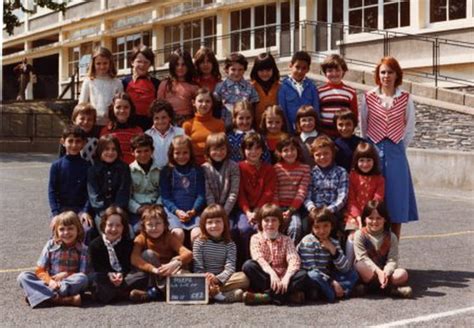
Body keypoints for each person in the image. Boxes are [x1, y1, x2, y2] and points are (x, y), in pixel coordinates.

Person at [360, 56, 418, 239]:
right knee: (373, 202)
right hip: (374, 152)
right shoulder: (368, 97)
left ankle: (393, 252)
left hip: (396, 154)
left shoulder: (406, 98)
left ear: (397, 74)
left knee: (396, 204)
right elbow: (363, 127)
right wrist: (370, 149)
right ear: (378, 75)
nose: (386, 76)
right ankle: (372, 251)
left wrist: (398, 147)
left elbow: (409, 128)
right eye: (383, 72)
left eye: (390, 72)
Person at [17, 212, 88, 308]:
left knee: (82, 279)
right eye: (62, 229)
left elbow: (82, 273)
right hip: (50, 281)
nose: (66, 233)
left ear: (78, 229)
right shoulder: (51, 245)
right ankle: (61, 300)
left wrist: (66, 274)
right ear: (56, 231)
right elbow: (40, 270)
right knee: (23, 276)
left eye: (70, 228)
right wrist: (50, 281)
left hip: (68, 284)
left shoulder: (83, 249)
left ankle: (39, 295)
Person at [242, 204, 307, 305]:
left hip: (284, 278)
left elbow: (294, 259)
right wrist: (272, 274)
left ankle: (267, 297)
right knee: (248, 265)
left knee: (303, 275)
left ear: (280, 222)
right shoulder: (255, 238)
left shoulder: (287, 240)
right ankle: (286, 296)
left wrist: (286, 277)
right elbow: (259, 258)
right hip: (266, 277)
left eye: (274, 220)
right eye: (266, 220)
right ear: (261, 222)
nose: (270, 224)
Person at [128, 205, 193, 303]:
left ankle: (153, 293)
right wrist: (154, 270)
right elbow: (134, 258)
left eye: (158, 223)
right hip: (154, 274)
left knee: (179, 265)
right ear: (144, 227)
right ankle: (163, 291)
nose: (154, 228)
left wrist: (175, 263)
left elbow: (188, 253)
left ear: (165, 224)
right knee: (147, 254)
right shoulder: (141, 238)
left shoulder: (168, 237)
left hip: (168, 272)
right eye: (150, 224)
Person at [297, 207, 358, 303]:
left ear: (331, 226)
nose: (322, 231)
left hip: (326, 276)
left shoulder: (333, 242)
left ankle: (325, 292)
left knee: (353, 274)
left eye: (325, 226)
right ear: (312, 228)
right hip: (312, 277)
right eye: (317, 227)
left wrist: (333, 250)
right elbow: (311, 268)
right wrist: (332, 282)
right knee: (313, 275)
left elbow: (345, 268)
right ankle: (333, 294)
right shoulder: (307, 242)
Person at [353, 200, 412, 298]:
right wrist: (378, 272)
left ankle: (371, 288)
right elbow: (362, 257)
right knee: (359, 265)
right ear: (364, 219)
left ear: (385, 219)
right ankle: (390, 289)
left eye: (378, 218)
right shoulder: (359, 235)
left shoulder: (391, 236)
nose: (374, 222)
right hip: (369, 271)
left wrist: (385, 273)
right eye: (370, 218)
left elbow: (392, 259)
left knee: (402, 274)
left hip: (384, 271)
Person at [193, 204, 250, 303]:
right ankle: (221, 295)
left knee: (244, 278)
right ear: (203, 225)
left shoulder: (230, 244)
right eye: (210, 222)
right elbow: (197, 267)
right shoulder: (199, 242)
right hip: (204, 279)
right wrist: (206, 278)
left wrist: (217, 279)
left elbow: (230, 267)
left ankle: (212, 293)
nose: (214, 225)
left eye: (218, 221)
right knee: (186, 277)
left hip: (222, 280)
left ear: (225, 223)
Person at [235, 132, 276, 266]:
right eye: (249, 148)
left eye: (257, 148)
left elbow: (268, 192)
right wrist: (248, 212)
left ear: (262, 150)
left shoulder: (268, 169)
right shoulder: (239, 167)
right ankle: (247, 262)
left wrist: (258, 211)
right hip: (245, 210)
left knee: (263, 227)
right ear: (243, 150)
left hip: (262, 209)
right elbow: (240, 193)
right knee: (244, 229)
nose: (253, 152)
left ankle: (266, 262)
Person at [160, 135, 205, 244]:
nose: (181, 156)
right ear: (172, 153)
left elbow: (201, 194)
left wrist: (194, 210)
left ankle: (196, 260)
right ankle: (179, 259)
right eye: (177, 153)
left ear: (190, 153)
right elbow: (165, 197)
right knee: (177, 234)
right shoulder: (166, 171)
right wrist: (176, 210)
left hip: (194, 211)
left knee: (197, 234)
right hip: (174, 212)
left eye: (185, 153)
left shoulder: (197, 170)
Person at [344, 142, 385, 265]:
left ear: (374, 161)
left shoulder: (379, 179)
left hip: (372, 216)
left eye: (369, 160)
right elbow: (351, 200)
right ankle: (349, 267)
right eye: (361, 160)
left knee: (371, 239)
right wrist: (359, 219)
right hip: (353, 215)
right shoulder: (352, 176)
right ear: (356, 161)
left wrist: (367, 218)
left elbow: (377, 199)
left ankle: (369, 268)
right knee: (352, 238)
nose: (365, 164)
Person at [88, 206, 136, 304]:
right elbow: (96, 267)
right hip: (106, 277)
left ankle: (113, 294)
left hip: (123, 278)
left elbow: (128, 265)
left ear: (123, 227)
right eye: (110, 225)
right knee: (95, 278)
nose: (114, 229)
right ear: (103, 225)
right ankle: (124, 294)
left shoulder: (128, 244)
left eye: (118, 225)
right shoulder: (95, 245)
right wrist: (109, 274)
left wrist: (121, 274)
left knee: (141, 275)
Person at [48, 125, 92, 231]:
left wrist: (85, 211)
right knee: (61, 230)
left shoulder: (87, 166)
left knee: (86, 228)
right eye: (70, 141)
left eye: (78, 141)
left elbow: (90, 192)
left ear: (84, 143)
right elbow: (52, 191)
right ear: (63, 141)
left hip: (80, 209)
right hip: (61, 209)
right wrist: (55, 213)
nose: (74, 145)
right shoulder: (56, 165)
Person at [87, 135, 131, 234]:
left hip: (120, 210)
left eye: (114, 149)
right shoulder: (93, 170)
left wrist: (117, 211)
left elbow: (123, 191)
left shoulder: (124, 168)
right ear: (100, 150)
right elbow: (94, 196)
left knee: (128, 232)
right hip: (101, 211)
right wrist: (105, 213)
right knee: (105, 230)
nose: (110, 152)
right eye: (106, 149)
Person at [304, 135, 348, 230]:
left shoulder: (341, 172)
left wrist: (328, 210)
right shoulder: (311, 173)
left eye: (326, 153)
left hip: (334, 213)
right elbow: (307, 196)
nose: (322, 157)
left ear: (332, 153)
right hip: (314, 213)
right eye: (318, 155)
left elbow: (342, 197)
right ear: (313, 156)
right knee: (305, 225)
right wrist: (312, 209)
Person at [273, 136, 311, 243]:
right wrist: (277, 210)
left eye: (292, 149)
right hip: (277, 207)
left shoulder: (305, 169)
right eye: (285, 150)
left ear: (298, 151)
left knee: (296, 227)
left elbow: (301, 192)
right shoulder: (276, 168)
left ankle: (290, 253)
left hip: (293, 208)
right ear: (280, 153)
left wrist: (290, 211)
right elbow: (274, 190)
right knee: (275, 226)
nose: (290, 153)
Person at [79, 47, 123, 127]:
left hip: (111, 125)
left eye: (105, 63)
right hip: (92, 124)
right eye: (98, 63)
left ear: (110, 63)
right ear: (93, 64)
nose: (102, 67)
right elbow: (81, 105)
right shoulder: (88, 81)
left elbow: (120, 104)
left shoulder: (117, 82)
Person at [214, 53, 259, 128]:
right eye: (233, 69)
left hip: (245, 127)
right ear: (226, 69)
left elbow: (254, 109)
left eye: (240, 69)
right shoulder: (220, 87)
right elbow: (216, 109)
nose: (236, 73)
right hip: (225, 127)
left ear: (244, 70)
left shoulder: (250, 87)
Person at [278, 51, 319, 134]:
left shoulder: (311, 87)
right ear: (290, 66)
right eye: (297, 67)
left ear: (308, 69)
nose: (300, 71)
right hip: (290, 131)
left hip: (309, 129)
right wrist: (288, 131)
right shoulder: (283, 86)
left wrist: (315, 129)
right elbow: (283, 111)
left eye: (304, 68)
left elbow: (316, 110)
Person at [318, 54, 358, 138]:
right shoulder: (320, 92)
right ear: (325, 72)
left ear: (343, 71)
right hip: (325, 136)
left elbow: (354, 115)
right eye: (330, 70)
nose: (334, 73)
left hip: (344, 136)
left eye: (337, 70)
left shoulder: (350, 92)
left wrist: (349, 131)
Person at [129, 134, 162, 234]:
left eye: (146, 151)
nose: (143, 155)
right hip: (137, 209)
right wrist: (138, 208)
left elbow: (164, 192)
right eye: (139, 151)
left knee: (160, 228)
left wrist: (157, 207)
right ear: (132, 152)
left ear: (152, 151)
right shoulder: (128, 171)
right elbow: (126, 196)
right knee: (137, 229)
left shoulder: (160, 170)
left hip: (157, 207)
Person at [201, 132, 240, 217]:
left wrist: (224, 213)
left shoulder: (233, 166)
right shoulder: (204, 168)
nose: (219, 152)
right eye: (215, 149)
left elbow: (233, 192)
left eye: (222, 149)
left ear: (227, 149)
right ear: (208, 151)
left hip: (230, 208)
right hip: (211, 209)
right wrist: (215, 211)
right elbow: (208, 193)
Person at [183, 88, 225, 165]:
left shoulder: (219, 124)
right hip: (193, 165)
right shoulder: (187, 125)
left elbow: (222, 147)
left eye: (207, 101)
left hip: (214, 164)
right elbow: (185, 149)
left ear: (212, 103)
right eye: (200, 101)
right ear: (193, 103)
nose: (204, 104)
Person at [122, 45, 160, 131]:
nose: (142, 65)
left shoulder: (156, 83)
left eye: (146, 62)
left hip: (150, 125)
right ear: (132, 62)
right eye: (139, 61)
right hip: (130, 125)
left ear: (150, 64)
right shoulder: (124, 82)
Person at [157, 48, 199, 125]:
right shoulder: (165, 84)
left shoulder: (194, 87)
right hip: (168, 122)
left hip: (188, 123)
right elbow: (158, 107)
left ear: (188, 65)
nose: (180, 68)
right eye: (177, 64)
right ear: (172, 65)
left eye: (183, 64)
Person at [100, 92, 143, 164]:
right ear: (112, 109)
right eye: (118, 107)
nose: (122, 110)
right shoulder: (106, 131)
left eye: (126, 107)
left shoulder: (138, 131)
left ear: (131, 109)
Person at [145, 99, 184, 169]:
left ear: (170, 117)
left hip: (175, 171)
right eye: (156, 118)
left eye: (164, 117)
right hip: (154, 173)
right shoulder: (147, 135)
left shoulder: (180, 133)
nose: (160, 121)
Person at [250, 53, 280, 127]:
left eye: (268, 70)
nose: (265, 73)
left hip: (275, 128)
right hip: (256, 129)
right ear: (256, 71)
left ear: (273, 69)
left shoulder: (279, 87)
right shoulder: (251, 88)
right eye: (261, 70)